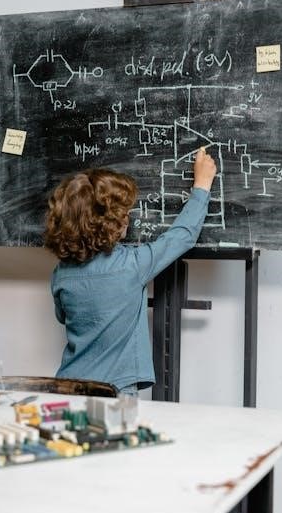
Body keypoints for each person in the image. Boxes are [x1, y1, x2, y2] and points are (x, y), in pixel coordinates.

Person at [44, 148, 217, 396]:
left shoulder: (61, 274)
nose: (128, 217)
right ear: (109, 224)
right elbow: (182, 236)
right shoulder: (131, 266)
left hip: (67, 385)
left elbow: (62, 317)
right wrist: (202, 185)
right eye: (123, 213)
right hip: (115, 390)